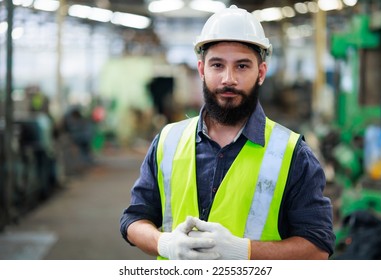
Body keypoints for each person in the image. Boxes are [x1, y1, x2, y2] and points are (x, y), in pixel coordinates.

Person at [120, 5, 335, 260]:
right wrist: (164, 243)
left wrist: (244, 251)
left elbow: (318, 248)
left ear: (261, 73)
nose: (228, 79)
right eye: (217, 65)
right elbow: (134, 220)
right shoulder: (168, 141)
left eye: (242, 66)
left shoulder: (292, 154)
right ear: (201, 70)